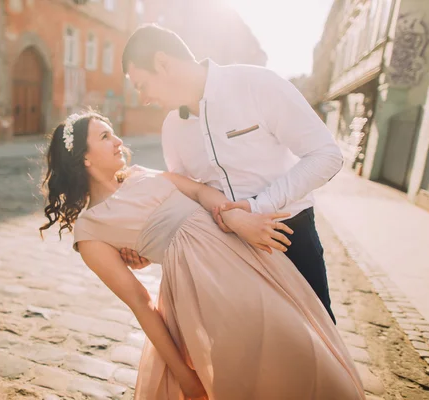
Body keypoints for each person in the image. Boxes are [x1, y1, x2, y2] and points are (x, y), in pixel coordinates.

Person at [40, 111, 364, 400]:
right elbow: (141, 303)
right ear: (84, 157)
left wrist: (239, 218)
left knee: (301, 349)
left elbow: (197, 191)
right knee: (248, 372)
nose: (118, 140)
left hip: (249, 260)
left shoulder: (141, 173)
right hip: (204, 294)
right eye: (105, 135)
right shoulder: (91, 230)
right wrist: (186, 378)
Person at [120, 24, 343, 323]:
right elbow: (186, 197)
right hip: (221, 251)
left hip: (288, 237)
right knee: (247, 353)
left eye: (142, 85)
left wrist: (256, 208)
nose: (143, 99)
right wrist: (151, 246)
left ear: (162, 63)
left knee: (318, 347)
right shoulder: (172, 128)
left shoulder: (258, 85)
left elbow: (326, 155)